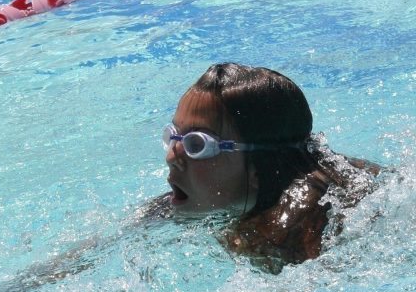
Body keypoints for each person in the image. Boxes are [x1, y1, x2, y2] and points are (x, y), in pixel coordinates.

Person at [142, 62, 380, 272]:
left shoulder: (302, 236)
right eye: (173, 137)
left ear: (258, 169)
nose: (172, 157)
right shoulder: (188, 199)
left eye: (197, 144)